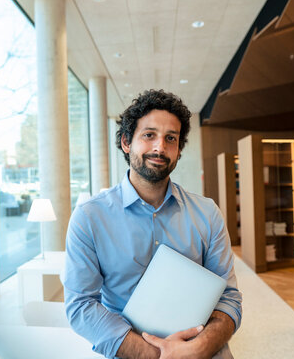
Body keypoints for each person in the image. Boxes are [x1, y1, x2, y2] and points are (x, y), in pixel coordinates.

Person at [63, 89, 242, 359]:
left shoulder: (207, 213)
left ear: (179, 150)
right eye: (149, 135)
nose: (160, 147)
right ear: (126, 142)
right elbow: (80, 305)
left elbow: (229, 297)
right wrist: (157, 356)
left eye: (171, 138)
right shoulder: (89, 217)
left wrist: (196, 349)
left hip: (199, 347)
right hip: (127, 348)